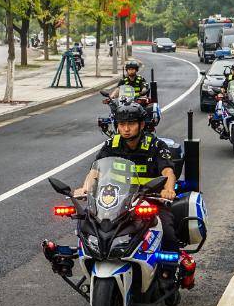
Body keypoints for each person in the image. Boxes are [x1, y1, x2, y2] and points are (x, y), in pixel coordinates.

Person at [74, 103, 180, 252]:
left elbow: (168, 172)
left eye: (131, 124)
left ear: (141, 124)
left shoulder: (156, 145)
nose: (126, 129)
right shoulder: (112, 144)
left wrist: (168, 190)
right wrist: (85, 188)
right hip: (116, 201)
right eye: (122, 124)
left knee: (167, 230)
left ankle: (170, 269)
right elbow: (95, 171)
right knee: (89, 226)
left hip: (149, 199)